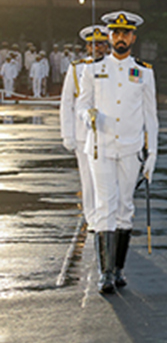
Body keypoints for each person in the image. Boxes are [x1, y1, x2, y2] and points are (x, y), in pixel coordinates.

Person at [76, 11, 158, 294]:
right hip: (100, 147)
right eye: (115, 33)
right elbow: (81, 105)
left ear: (133, 37)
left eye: (125, 33)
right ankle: (105, 272)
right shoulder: (92, 69)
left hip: (131, 147)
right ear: (108, 36)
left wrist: (153, 155)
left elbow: (152, 117)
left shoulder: (144, 72)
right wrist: (88, 116)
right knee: (105, 206)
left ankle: (119, 268)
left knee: (125, 207)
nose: (120, 38)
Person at [60, 25, 110, 232]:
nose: (96, 48)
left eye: (101, 44)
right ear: (87, 47)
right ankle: (91, 217)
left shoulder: (114, 66)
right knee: (88, 179)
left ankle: (105, 215)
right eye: (92, 44)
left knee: (106, 178)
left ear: (107, 46)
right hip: (83, 133)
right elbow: (66, 103)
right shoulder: (77, 68)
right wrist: (67, 134)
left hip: (108, 132)